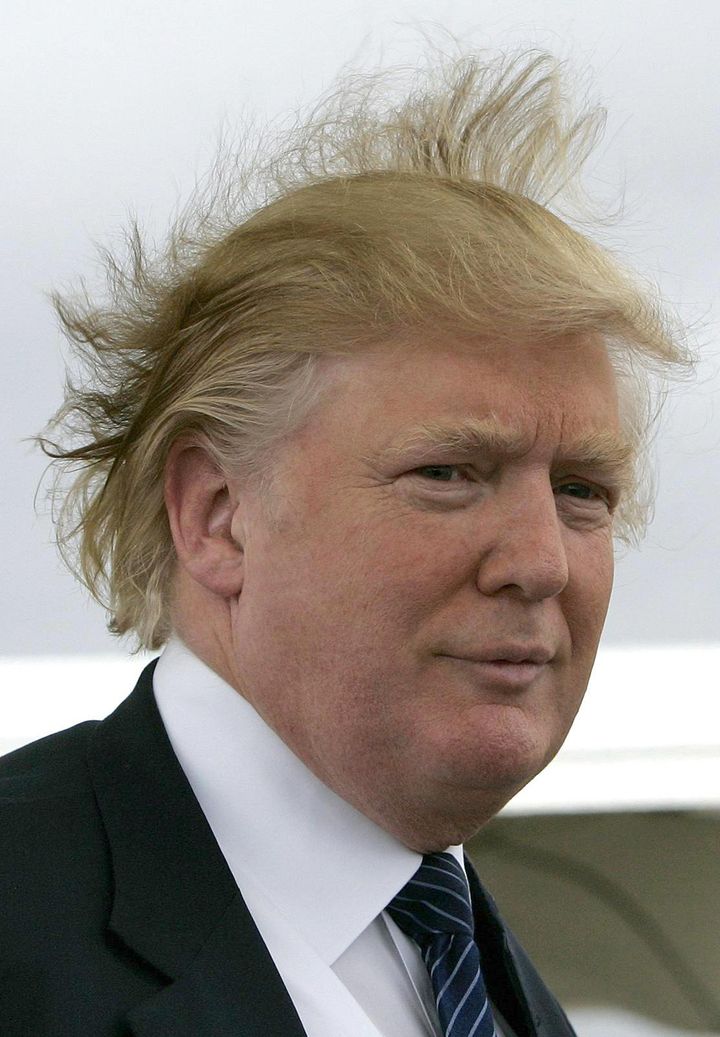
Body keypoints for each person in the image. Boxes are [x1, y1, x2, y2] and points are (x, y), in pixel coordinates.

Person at [0, 49, 690, 1037]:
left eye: (583, 491)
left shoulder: (484, 978)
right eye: (451, 472)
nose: (540, 560)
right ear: (216, 514)